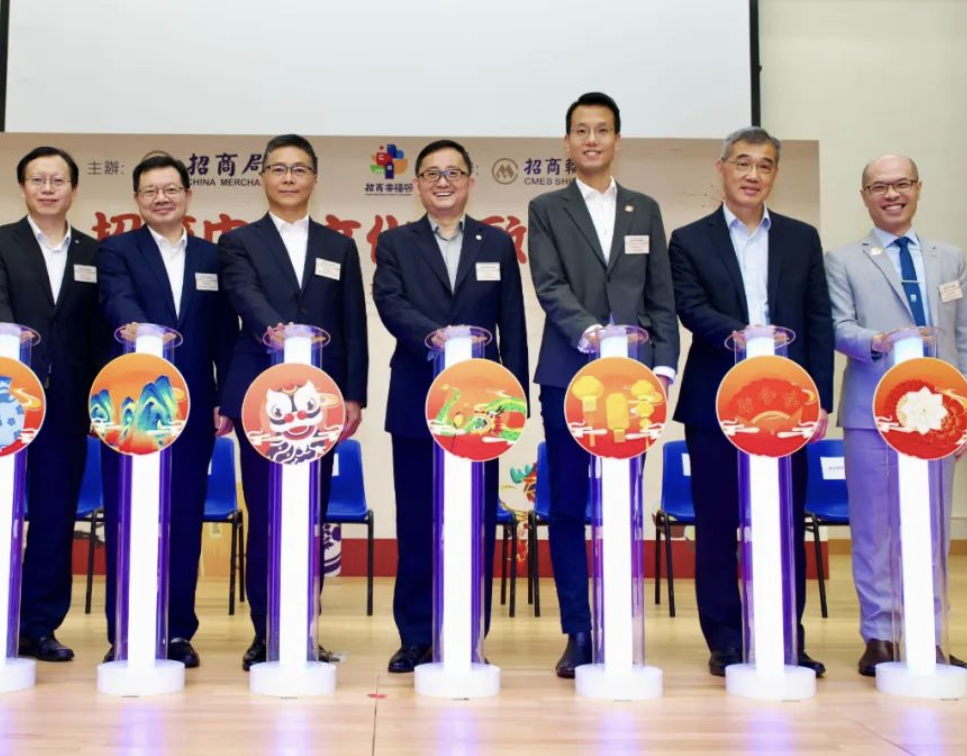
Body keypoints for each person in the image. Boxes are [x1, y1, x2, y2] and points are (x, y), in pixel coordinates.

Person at [669, 126, 831, 677]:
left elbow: (818, 320)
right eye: (742, 163)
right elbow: (689, 307)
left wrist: (820, 398)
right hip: (715, 400)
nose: (752, 174)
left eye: (764, 165)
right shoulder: (689, 239)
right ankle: (727, 640)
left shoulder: (801, 238)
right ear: (722, 169)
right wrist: (743, 336)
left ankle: (786, 635)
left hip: (789, 404)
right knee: (717, 526)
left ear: (775, 174)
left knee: (784, 523)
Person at [527, 92, 678, 678]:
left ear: (618, 140)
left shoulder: (645, 209)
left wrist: (662, 367)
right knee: (568, 506)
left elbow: (660, 296)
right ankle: (579, 630)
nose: (592, 140)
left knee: (622, 504)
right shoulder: (547, 208)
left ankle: (619, 621)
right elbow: (549, 284)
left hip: (634, 386)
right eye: (581, 130)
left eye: (602, 130)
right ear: (567, 142)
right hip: (569, 374)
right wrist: (594, 334)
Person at [373, 139, 529, 673]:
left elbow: (513, 321)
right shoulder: (396, 243)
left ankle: (468, 631)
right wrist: (435, 335)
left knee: (476, 522)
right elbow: (390, 303)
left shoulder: (496, 243)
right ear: (417, 184)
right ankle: (416, 635)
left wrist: (515, 397)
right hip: (416, 400)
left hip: (484, 410)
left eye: (453, 173)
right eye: (433, 174)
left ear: (469, 181)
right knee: (418, 523)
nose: (443, 182)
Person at [218, 134, 369, 670]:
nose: (288, 178)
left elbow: (352, 322)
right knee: (266, 518)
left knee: (309, 519)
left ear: (314, 179)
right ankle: (266, 633)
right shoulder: (238, 241)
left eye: (299, 169)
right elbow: (244, 296)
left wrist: (353, 394)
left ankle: (303, 630)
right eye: (278, 168)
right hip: (260, 396)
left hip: (322, 403)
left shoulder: (338, 246)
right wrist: (279, 331)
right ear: (263, 177)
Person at [826, 154, 967, 677]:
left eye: (901, 184)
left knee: (931, 528)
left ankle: (929, 638)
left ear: (918, 188)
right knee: (875, 529)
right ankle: (881, 635)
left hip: (940, 415)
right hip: (872, 412)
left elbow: (964, 338)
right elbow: (838, 327)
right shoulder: (843, 260)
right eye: (879, 187)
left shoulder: (949, 258)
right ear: (864, 197)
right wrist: (882, 340)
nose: (892, 194)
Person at [96, 153, 237, 667]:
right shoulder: (116, 250)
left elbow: (224, 333)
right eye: (151, 190)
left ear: (188, 195)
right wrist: (142, 331)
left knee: (183, 516)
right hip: (130, 407)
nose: (162, 198)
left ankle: (177, 630)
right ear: (137, 199)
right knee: (127, 516)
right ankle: (126, 629)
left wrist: (225, 397)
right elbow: (116, 301)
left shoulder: (212, 257)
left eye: (171, 189)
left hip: (195, 407)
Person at [0, 146, 106, 662]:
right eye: (37, 180)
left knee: (54, 516)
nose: (47, 189)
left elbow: (98, 331)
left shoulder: (94, 253)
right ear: (22, 187)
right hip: (4, 401)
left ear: (74, 189)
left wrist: (98, 399)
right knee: (0, 513)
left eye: (57, 180)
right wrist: (3, 330)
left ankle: (40, 625)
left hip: (69, 403)